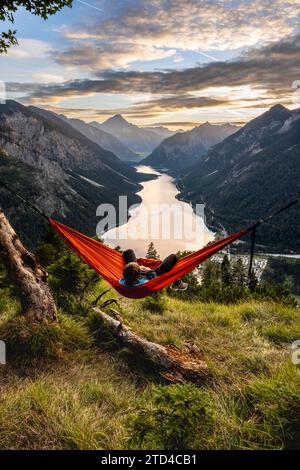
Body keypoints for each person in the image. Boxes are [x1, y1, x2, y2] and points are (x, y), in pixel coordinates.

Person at [119, 249, 188, 290]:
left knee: (129, 252)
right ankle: (178, 283)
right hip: (150, 274)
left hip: (132, 272)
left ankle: (177, 283)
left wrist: (137, 267)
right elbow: (155, 280)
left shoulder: (122, 281)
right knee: (174, 257)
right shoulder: (143, 283)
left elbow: (127, 275)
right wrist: (148, 270)